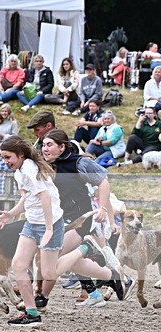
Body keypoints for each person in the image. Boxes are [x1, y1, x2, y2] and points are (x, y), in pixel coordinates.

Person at [0, 136, 126, 326]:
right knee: (18, 265)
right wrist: (11, 214)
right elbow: (30, 199)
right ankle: (32, 314)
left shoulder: (30, 169)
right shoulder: (20, 170)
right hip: (32, 223)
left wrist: (49, 229)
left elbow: (46, 197)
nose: (5, 162)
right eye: (3, 157)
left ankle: (86, 249)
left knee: (49, 273)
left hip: (51, 223)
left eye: (8, 158)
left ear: (21, 155)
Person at [39, 129, 128, 308]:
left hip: (81, 219)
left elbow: (103, 181)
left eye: (49, 145)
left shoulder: (79, 163)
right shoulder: (47, 166)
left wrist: (103, 208)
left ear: (62, 147)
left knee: (53, 257)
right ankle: (113, 277)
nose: (44, 149)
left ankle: (41, 298)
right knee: (72, 262)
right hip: (61, 220)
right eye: (43, 145)